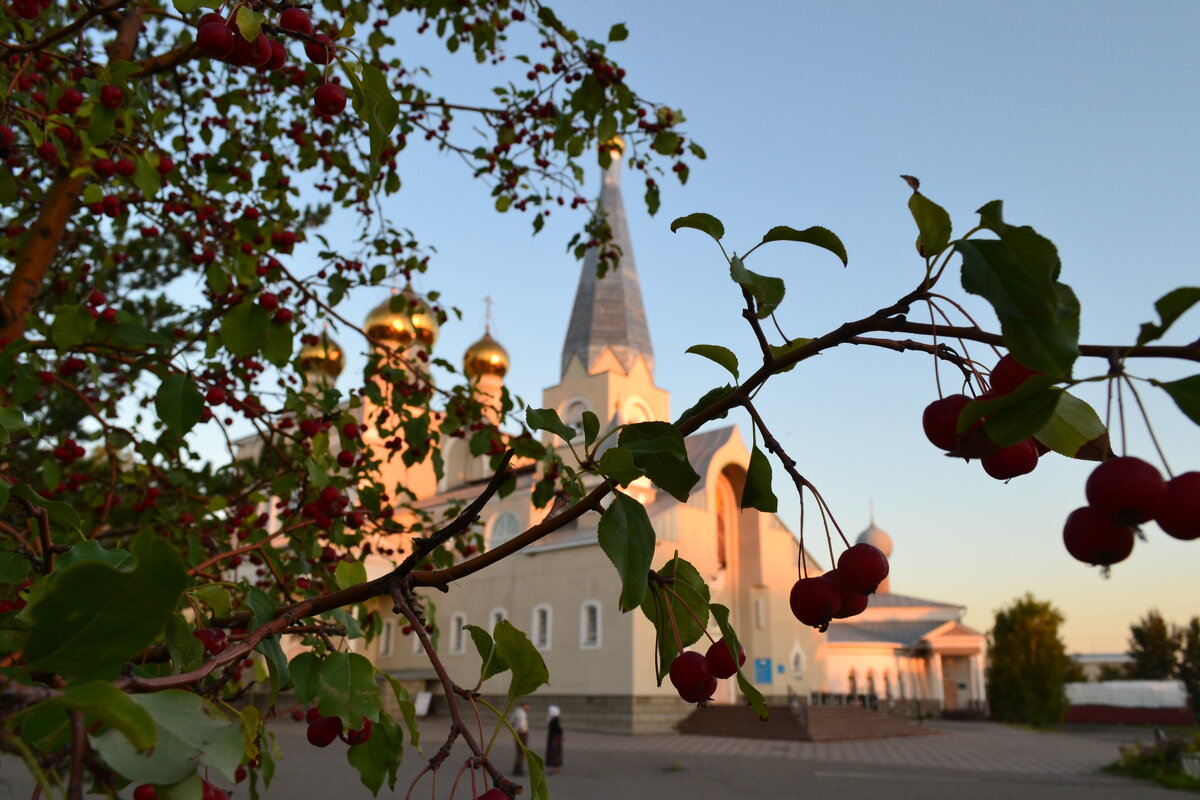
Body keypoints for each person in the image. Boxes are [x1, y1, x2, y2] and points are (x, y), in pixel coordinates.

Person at [509, 701, 529, 775]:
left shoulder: (517, 711)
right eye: (527, 706)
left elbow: (511, 721)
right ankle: (518, 769)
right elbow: (519, 723)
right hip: (522, 734)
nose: (528, 707)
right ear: (524, 705)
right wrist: (516, 733)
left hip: (520, 733)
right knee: (521, 752)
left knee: (520, 752)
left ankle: (517, 768)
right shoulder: (521, 712)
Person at [545, 705, 563, 774]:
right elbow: (558, 729)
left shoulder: (552, 719)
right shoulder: (554, 719)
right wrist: (561, 735)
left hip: (553, 738)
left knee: (553, 753)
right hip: (555, 738)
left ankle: (555, 768)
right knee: (555, 753)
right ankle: (555, 768)